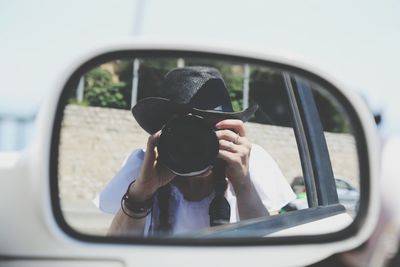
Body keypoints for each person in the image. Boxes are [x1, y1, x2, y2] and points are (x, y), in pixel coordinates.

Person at [97, 66, 295, 237]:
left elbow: (268, 249)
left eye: (206, 131)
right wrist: (140, 193)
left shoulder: (249, 162)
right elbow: (117, 246)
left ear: (228, 131)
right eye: (185, 132)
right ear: (162, 133)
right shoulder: (145, 165)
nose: (193, 143)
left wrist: (243, 184)